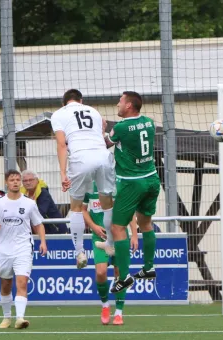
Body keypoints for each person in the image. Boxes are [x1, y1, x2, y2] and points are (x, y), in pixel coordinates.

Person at [51, 89, 115, 268]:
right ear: (81, 100)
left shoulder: (59, 114)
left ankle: (79, 252)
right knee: (107, 203)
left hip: (80, 158)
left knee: (77, 207)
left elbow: (62, 144)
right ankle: (111, 242)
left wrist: (63, 173)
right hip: (103, 156)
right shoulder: (93, 111)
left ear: (64, 103)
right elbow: (101, 135)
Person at [105, 91, 160, 293]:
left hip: (132, 182)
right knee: (146, 223)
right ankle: (148, 267)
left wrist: (100, 131)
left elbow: (106, 144)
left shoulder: (121, 127)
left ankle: (124, 276)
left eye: (120, 102)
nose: (117, 105)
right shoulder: (149, 122)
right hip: (152, 178)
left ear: (129, 105)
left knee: (117, 227)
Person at [0, 170, 47, 330]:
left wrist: (43, 242)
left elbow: (38, 224)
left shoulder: (29, 203)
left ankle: (20, 318)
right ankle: (6, 317)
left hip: (23, 248)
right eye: (12, 179)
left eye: (17, 179)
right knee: (6, 284)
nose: (15, 182)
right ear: (6, 182)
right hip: (4, 249)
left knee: (22, 282)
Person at [82, 181, 138, 325]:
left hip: (120, 235)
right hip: (99, 236)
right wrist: (94, 226)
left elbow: (130, 212)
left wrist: (134, 235)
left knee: (120, 274)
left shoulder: (120, 184)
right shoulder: (89, 185)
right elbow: (82, 209)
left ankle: (119, 312)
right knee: (100, 273)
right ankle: (105, 305)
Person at [20, 170, 67, 234]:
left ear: (37, 180)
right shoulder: (22, 193)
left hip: (55, 228)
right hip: (37, 229)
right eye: (25, 181)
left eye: (31, 180)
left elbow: (40, 212)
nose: (28, 183)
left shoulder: (43, 193)